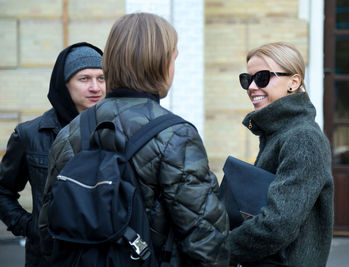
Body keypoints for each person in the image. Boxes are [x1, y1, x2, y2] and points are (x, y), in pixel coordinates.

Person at [39, 12, 230, 266]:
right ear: (160, 63)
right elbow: (207, 242)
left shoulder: (70, 132)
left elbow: (48, 232)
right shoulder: (176, 135)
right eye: (174, 58)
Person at [0, 42, 105, 267]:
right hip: (48, 259)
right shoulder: (30, 134)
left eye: (102, 78)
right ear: (64, 84)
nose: (95, 87)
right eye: (84, 78)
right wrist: (31, 227)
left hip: (106, 257)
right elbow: (2, 191)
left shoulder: (117, 130)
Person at [228, 42, 334, 266]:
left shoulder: (303, 138)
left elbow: (278, 224)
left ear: (294, 82)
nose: (252, 87)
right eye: (247, 79)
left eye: (263, 77)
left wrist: (219, 248)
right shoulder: (279, 133)